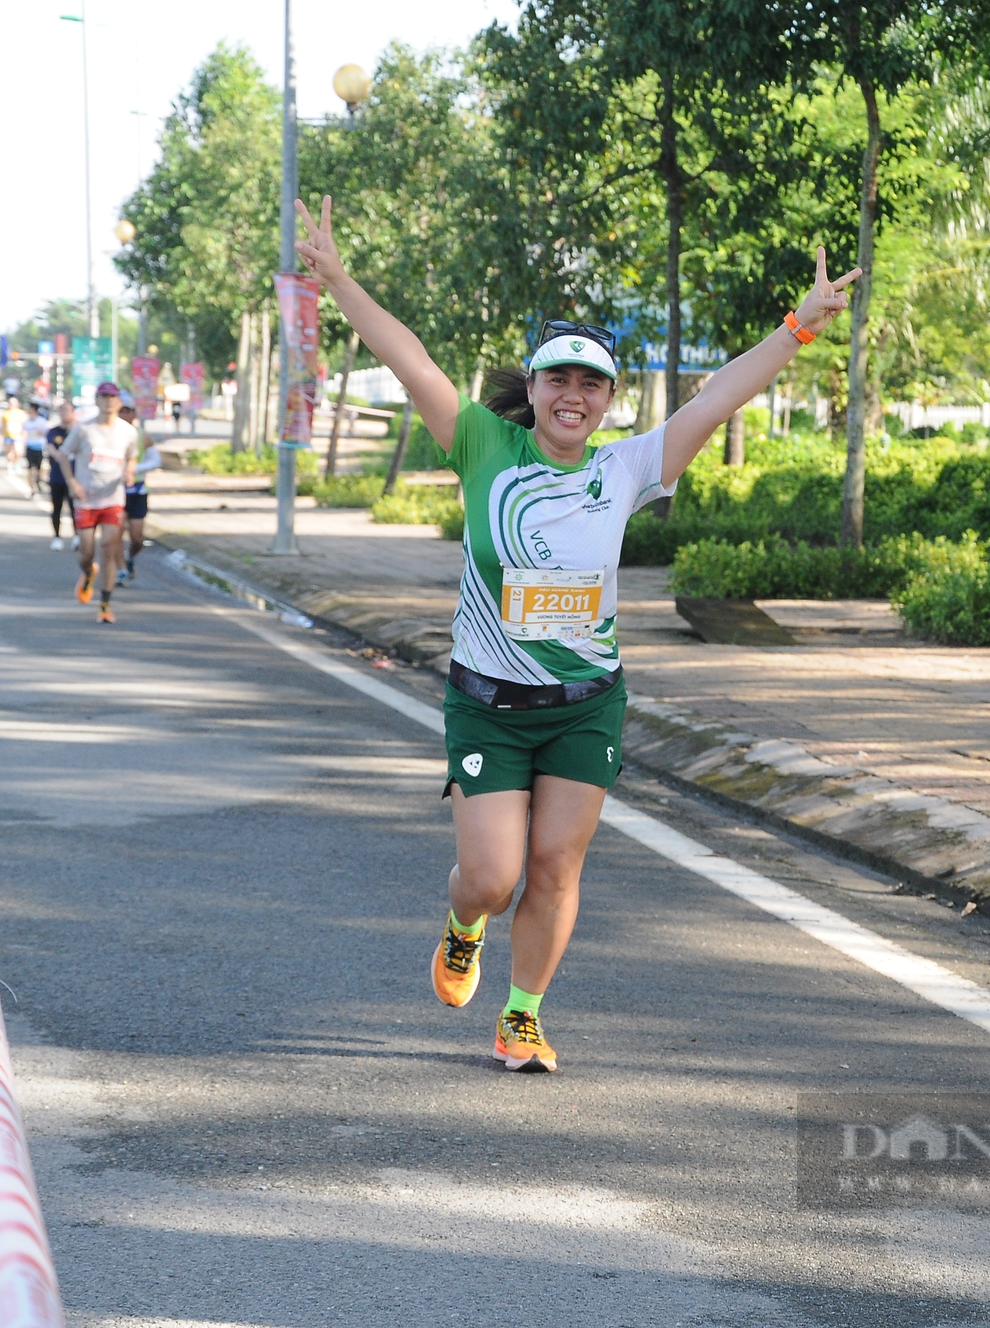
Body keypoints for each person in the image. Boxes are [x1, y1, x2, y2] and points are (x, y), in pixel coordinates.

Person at [294, 194, 857, 1072]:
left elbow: (716, 398)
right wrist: (337, 280)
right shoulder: (484, 446)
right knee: (491, 876)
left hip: (585, 705)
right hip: (487, 706)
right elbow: (410, 362)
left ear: (606, 400)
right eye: (559, 379)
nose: (574, 396)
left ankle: (522, 1015)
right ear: (535, 387)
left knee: (556, 864)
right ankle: (462, 923)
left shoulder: (626, 466)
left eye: (592, 384)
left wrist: (798, 327)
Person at [47, 383, 137, 623]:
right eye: (104, 397)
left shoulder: (128, 431)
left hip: (113, 498)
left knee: (109, 547)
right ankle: (88, 572)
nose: (108, 401)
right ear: (96, 400)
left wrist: (129, 472)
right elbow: (64, 456)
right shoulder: (84, 430)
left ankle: (105, 606)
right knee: (86, 552)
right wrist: (72, 483)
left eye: (113, 397)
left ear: (119, 402)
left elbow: (132, 456)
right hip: (86, 500)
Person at [117, 403, 161, 584]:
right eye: (122, 411)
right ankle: (120, 569)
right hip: (116, 490)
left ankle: (130, 558)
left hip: (137, 490)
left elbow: (156, 460)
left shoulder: (143, 436)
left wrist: (133, 469)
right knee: (115, 533)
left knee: (137, 538)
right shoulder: (109, 434)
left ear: (135, 413)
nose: (126, 414)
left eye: (129, 411)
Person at [44, 404, 75, 549]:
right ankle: (56, 537)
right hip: (57, 476)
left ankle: (77, 537)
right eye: (62, 411)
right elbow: (52, 450)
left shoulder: (77, 432)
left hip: (75, 477)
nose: (64, 414)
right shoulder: (53, 432)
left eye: (67, 411)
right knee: (57, 508)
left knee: (75, 507)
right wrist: (61, 456)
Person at [23, 403, 51, 495]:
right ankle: (32, 488)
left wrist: (40, 432)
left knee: (39, 468)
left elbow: (47, 434)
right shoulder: (26, 422)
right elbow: (23, 433)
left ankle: (38, 482)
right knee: (30, 468)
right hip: (29, 447)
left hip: (39, 447)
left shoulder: (41, 421)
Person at [0, 395, 28, 473]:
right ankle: (9, 466)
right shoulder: (6, 414)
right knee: (9, 452)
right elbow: (2, 426)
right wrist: (0, 436)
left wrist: (25, 436)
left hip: (18, 435)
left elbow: (25, 426)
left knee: (18, 451)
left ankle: (16, 463)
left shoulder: (21, 413)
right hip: (8, 435)